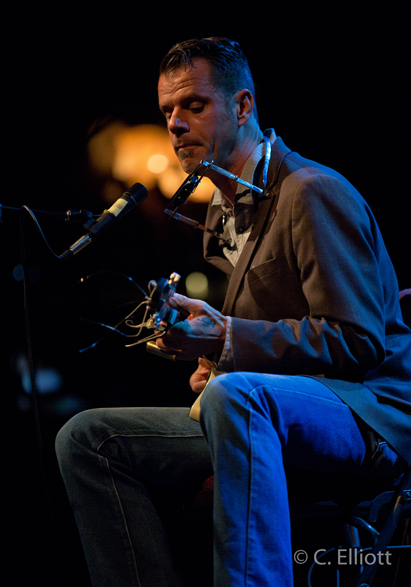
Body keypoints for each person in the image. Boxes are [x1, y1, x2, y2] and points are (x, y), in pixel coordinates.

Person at [56, 37, 411, 587]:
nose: (175, 124)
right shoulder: (223, 213)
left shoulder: (311, 191)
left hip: (369, 413)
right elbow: (264, 340)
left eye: (194, 105)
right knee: (86, 438)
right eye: (167, 111)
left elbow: (357, 342)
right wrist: (215, 360)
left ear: (243, 106)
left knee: (235, 397)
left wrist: (225, 341)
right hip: (267, 409)